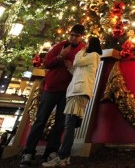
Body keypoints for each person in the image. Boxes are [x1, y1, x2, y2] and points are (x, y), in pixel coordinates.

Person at [20, 24, 86, 167]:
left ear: (82, 37)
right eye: (72, 35)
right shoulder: (60, 46)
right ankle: (28, 152)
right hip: (50, 89)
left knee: (60, 123)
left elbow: (83, 70)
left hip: (68, 91)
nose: (73, 38)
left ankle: (51, 151)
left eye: (76, 36)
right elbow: (46, 63)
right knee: (40, 120)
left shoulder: (83, 50)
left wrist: (71, 67)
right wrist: (60, 56)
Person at [42, 36, 102, 167]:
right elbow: (78, 71)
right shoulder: (89, 58)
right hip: (75, 91)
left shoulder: (94, 55)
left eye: (87, 43)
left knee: (69, 125)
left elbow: (77, 61)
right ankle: (65, 156)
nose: (85, 45)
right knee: (69, 124)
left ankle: (62, 156)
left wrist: (81, 50)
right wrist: (70, 68)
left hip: (79, 92)